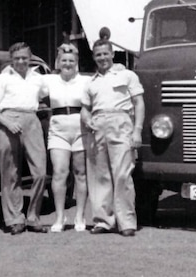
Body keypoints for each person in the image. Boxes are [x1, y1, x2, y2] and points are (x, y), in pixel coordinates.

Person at [81, 28, 145, 237]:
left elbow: (139, 103)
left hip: (121, 122)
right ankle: (103, 221)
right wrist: (88, 119)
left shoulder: (127, 75)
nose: (102, 58)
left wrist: (137, 131)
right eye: (98, 55)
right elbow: (85, 108)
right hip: (98, 125)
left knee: (122, 174)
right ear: (94, 57)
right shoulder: (90, 82)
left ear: (112, 54)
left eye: (105, 54)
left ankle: (126, 222)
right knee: (99, 175)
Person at [0, 42, 48, 235]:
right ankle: (14, 219)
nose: (21, 61)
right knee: (10, 173)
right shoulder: (2, 79)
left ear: (30, 59)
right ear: (11, 59)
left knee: (40, 172)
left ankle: (33, 218)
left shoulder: (38, 78)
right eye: (17, 58)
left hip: (31, 121)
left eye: (25, 58)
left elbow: (56, 89)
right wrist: (7, 122)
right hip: (8, 120)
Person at [43, 43, 91, 233]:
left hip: (81, 128)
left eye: (71, 60)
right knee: (59, 172)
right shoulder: (49, 80)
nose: (67, 64)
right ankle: (60, 216)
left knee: (80, 172)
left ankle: (80, 215)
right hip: (58, 129)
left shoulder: (86, 81)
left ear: (77, 62)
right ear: (58, 62)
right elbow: (28, 80)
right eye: (64, 60)